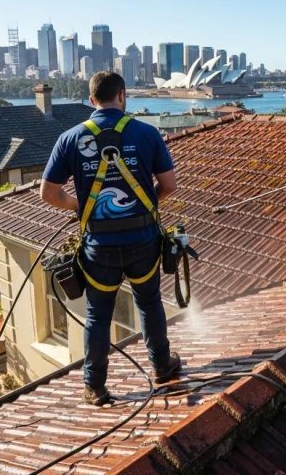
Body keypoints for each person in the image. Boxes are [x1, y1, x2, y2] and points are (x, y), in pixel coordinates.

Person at [40, 71, 181, 405]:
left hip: (99, 247)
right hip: (142, 241)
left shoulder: (71, 138)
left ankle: (95, 386)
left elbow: (49, 193)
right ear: (122, 95)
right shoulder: (146, 133)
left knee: (98, 314)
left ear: (92, 100)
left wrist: (80, 207)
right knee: (149, 302)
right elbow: (169, 185)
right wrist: (145, 206)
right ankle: (162, 365)